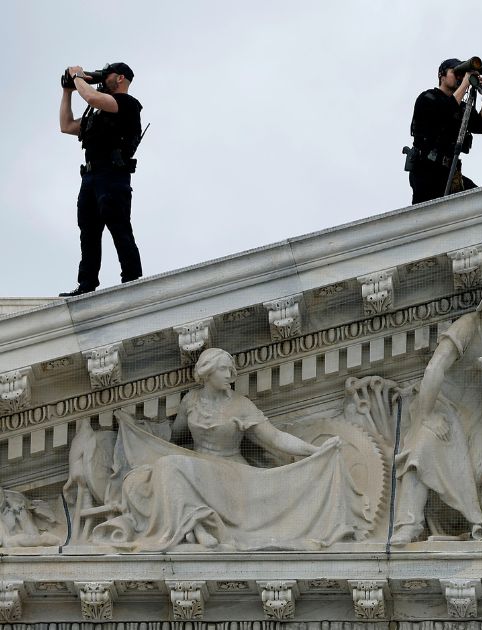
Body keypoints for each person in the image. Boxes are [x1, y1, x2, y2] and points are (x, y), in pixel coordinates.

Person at [90, 348, 365, 551]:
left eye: (231, 370)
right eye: (224, 370)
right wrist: (142, 433)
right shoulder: (191, 402)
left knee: (173, 466)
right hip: (198, 464)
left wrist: (315, 451)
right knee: (168, 465)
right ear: (207, 373)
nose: (230, 375)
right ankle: (198, 525)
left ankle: (202, 526)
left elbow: (275, 438)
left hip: (231, 475)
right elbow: (175, 438)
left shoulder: (241, 405)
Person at [391, 279, 482, 544]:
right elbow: (435, 369)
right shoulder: (468, 326)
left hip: (480, 409)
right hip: (442, 403)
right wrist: (426, 417)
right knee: (422, 447)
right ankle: (408, 525)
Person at [58, 62, 144, 297]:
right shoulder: (97, 114)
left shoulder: (127, 104)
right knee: (88, 231)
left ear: (120, 79)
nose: (103, 78)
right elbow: (66, 126)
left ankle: (132, 279)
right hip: (91, 176)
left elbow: (93, 98)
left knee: (119, 226)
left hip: (112, 175)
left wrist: (78, 77)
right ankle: (86, 284)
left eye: (108, 75)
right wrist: (67, 91)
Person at [408, 58, 482, 204]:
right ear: (442, 75)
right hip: (426, 170)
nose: (459, 77)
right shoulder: (427, 98)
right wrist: (466, 82)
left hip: (450, 171)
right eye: (455, 73)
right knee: (430, 217)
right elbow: (445, 112)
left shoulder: (462, 106)